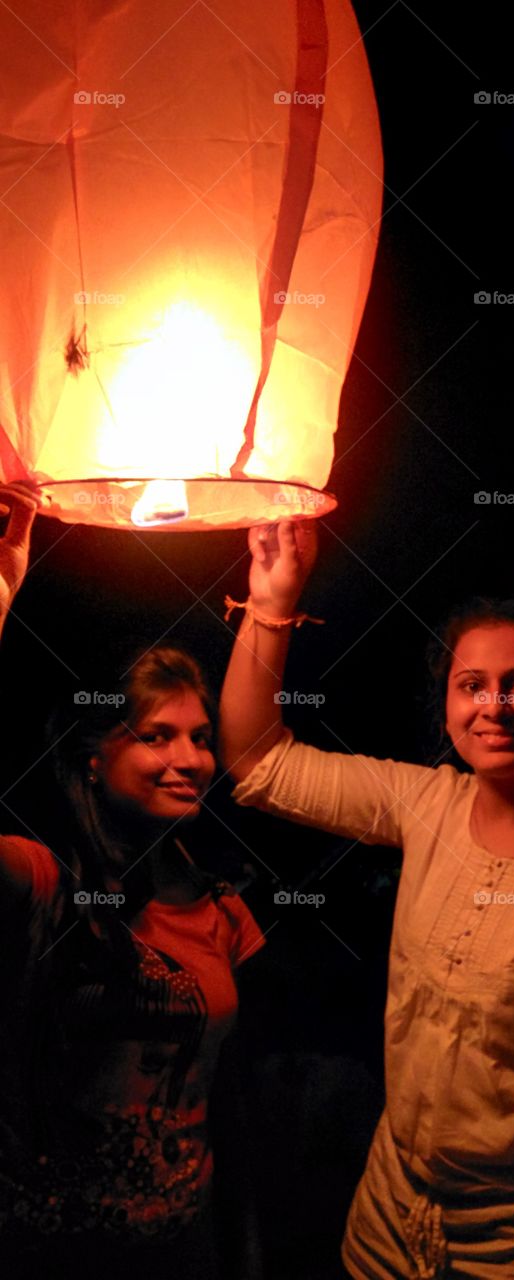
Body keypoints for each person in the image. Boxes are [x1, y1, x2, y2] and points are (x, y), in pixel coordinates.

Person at [219, 520, 514, 1280]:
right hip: (386, 1232)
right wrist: (270, 601)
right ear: (445, 707)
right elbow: (257, 761)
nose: (494, 706)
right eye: (471, 685)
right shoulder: (424, 805)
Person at [0, 485, 265, 1279]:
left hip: (180, 1251)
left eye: (200, 737)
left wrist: (246, 1254)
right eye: (156, 736)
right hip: (40, 1254)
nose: (188, 759)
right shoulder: (40, 881)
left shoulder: (227, 912)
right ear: (94, 754)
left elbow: (235, 1109)